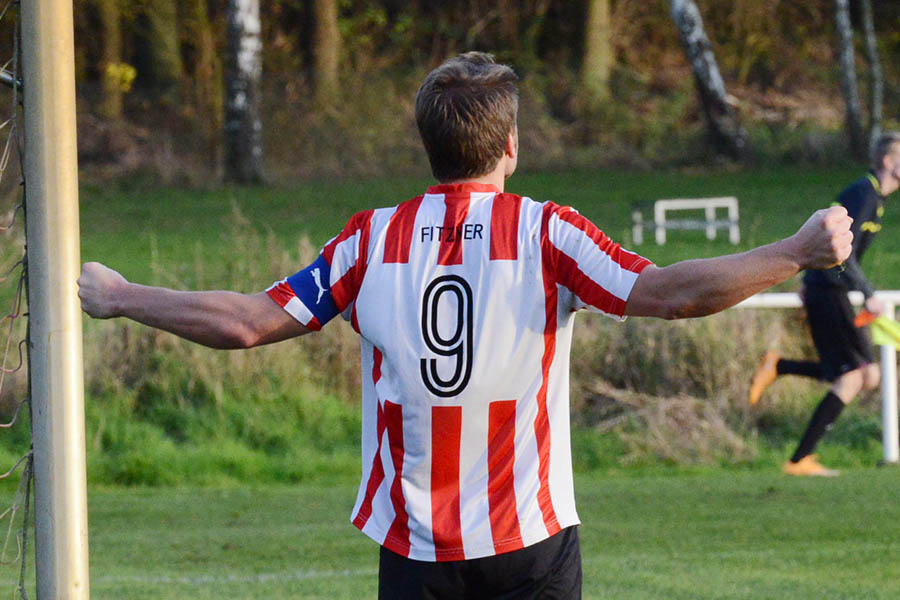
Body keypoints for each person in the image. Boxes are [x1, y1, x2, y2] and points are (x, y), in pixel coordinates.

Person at [78, 52, 852, 599]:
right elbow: (671, 294)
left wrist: (122, 294)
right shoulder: (548, 233)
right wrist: (794, 251)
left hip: (417, 556)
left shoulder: (370, 240)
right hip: (531, 548)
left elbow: (247, 323)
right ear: (510, 146)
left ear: (429, 147)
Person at [748, 132, 900, 478]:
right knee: (854, 375)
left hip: (832, 287)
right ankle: (799, 460)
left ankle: (780, 366)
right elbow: (837, 251)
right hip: (827, 288)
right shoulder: (864, 194)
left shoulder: (875, 198)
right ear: (888, 161)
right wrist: (868, 293)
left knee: (869, 375)